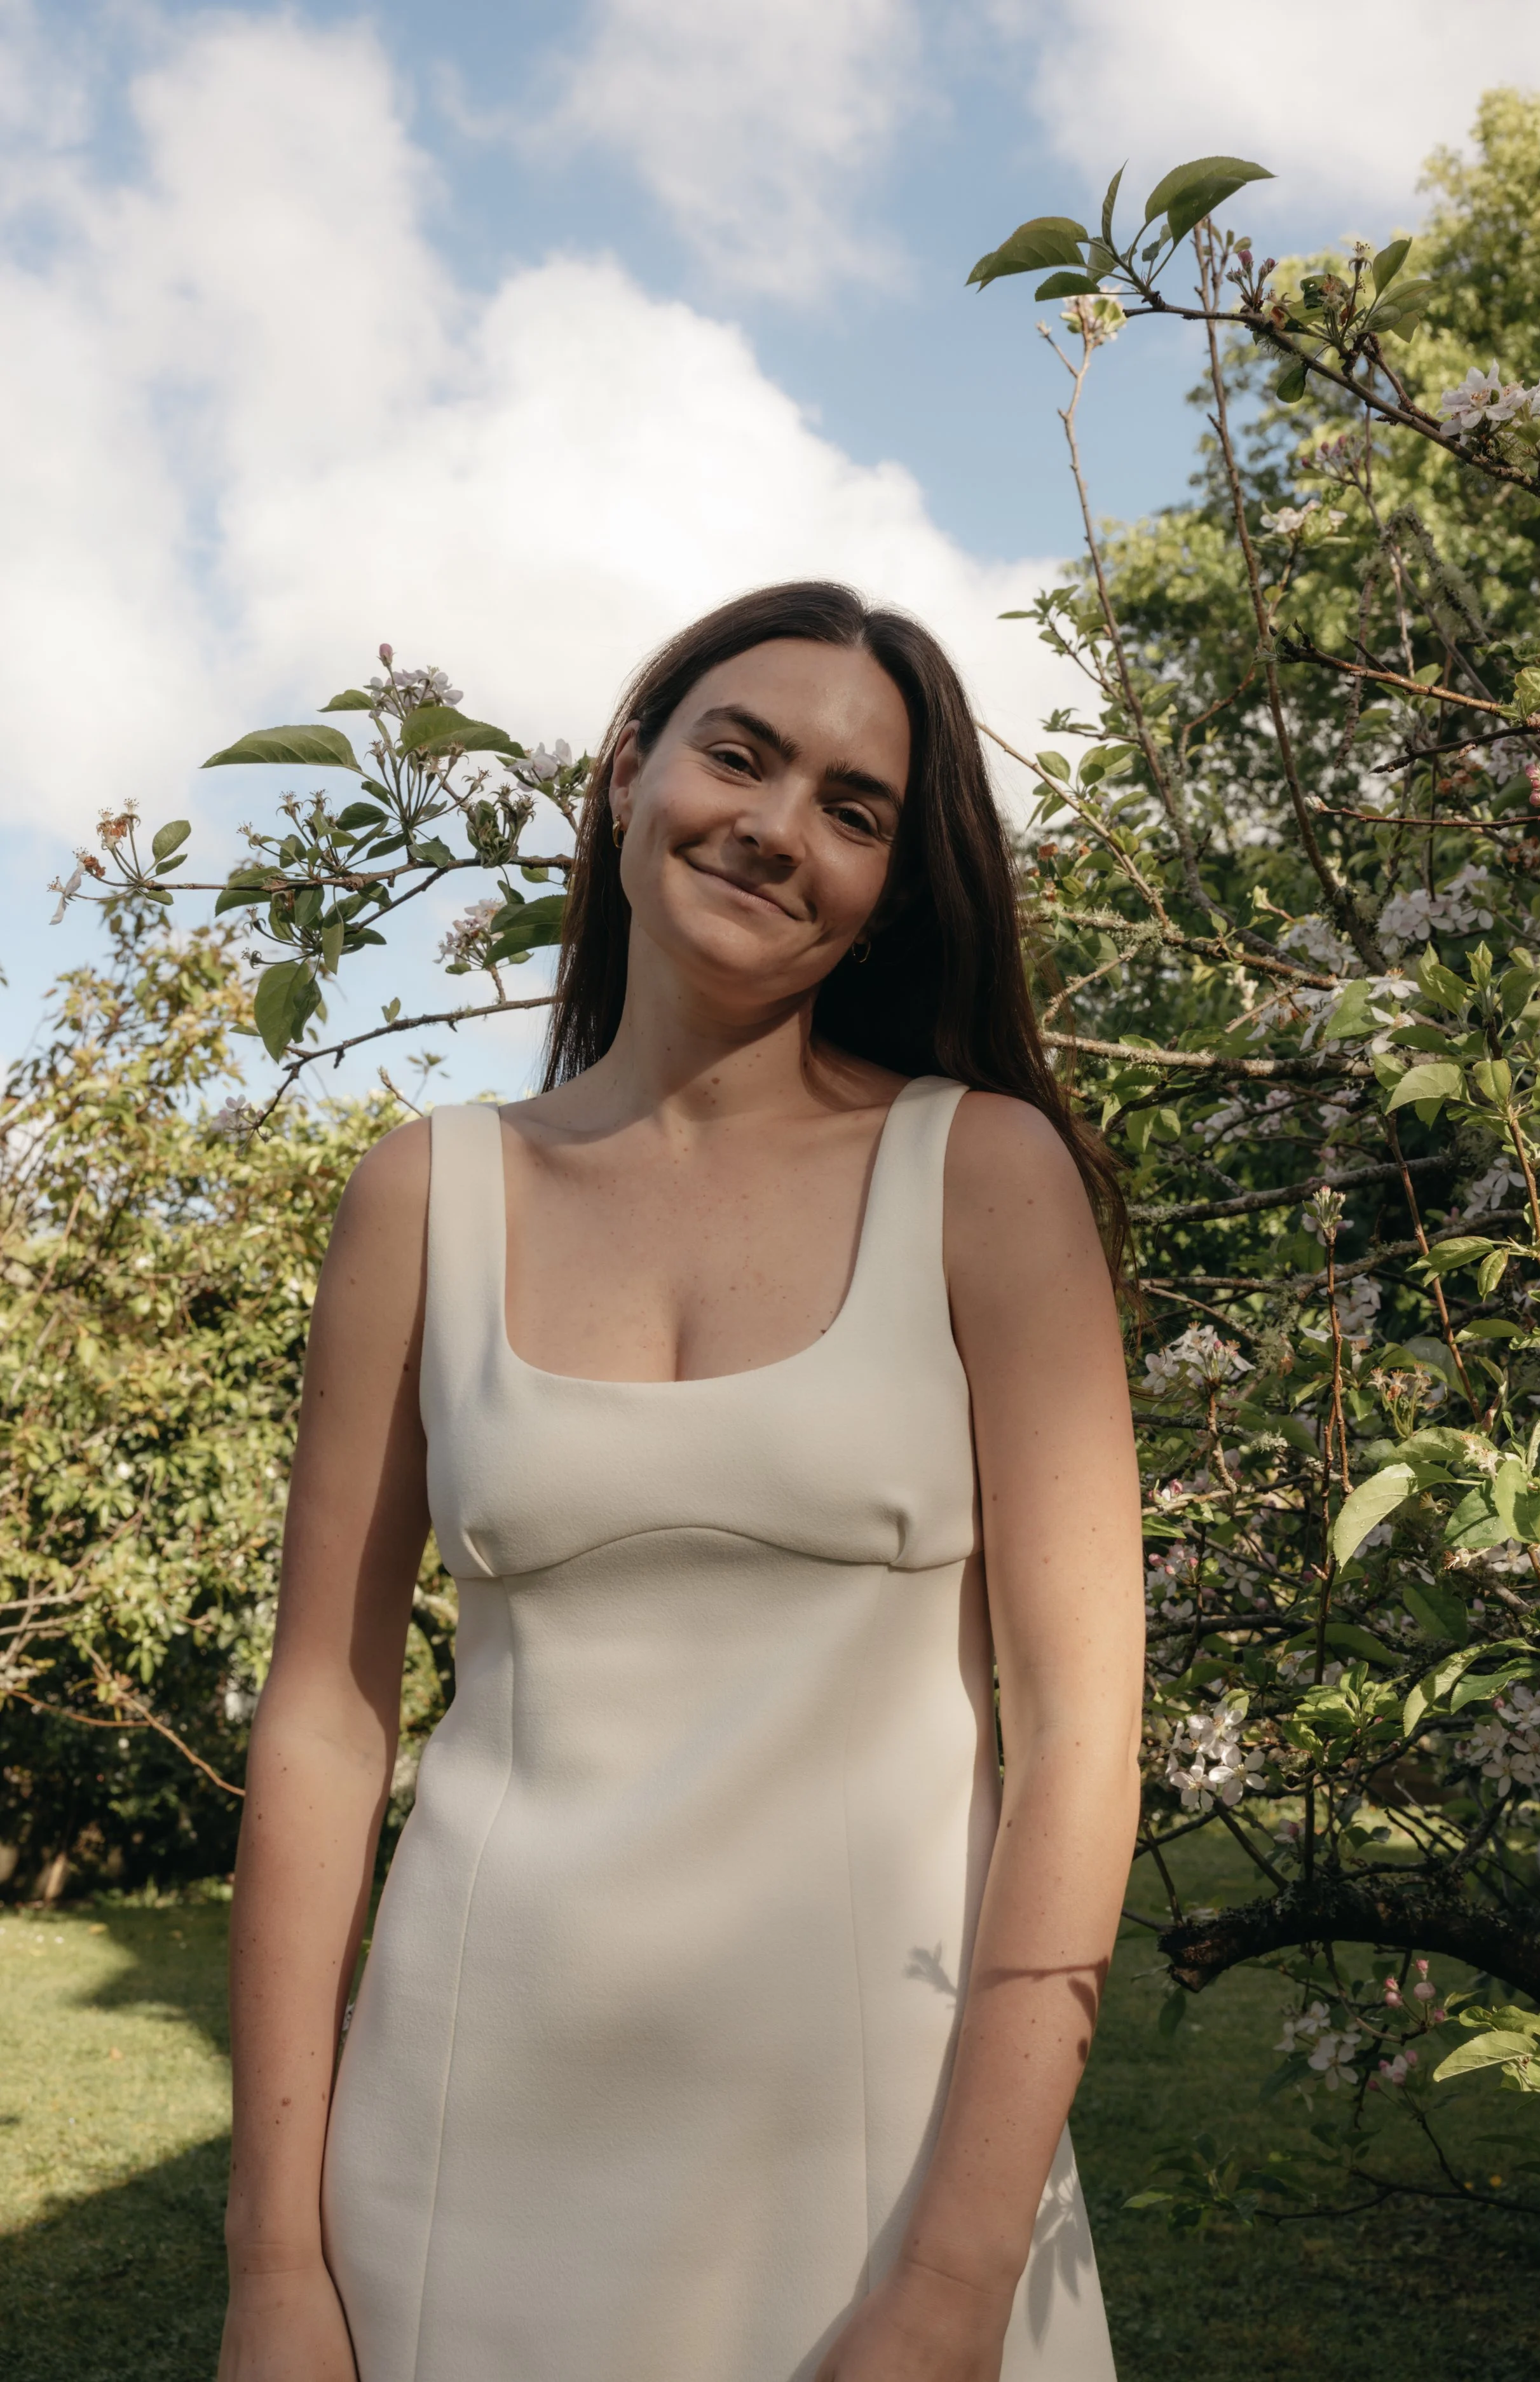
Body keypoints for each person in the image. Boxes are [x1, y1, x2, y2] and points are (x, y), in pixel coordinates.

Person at [217, 582, 1144, 2382]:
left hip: (879, 2190)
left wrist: (952, 2286)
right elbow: (324, 1720)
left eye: (855, 809)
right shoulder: (422, 1198)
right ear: (630, 769)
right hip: (450, 2162)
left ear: (893, 883)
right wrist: (274, 2261)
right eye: (742, 751)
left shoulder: (983, 1177)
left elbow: (1083, 1736)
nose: (779, 826)